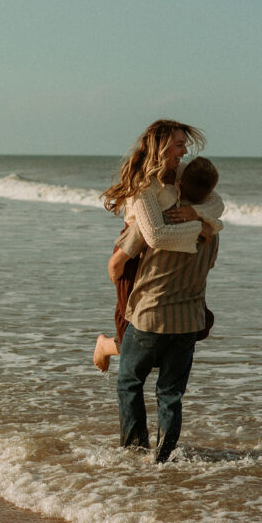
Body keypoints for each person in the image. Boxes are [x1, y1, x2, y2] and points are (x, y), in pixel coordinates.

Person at [100, 119, 222, 462]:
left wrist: (125, 291)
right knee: (170, 394)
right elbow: (208, 257)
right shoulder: (210, 230)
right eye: (180, 145)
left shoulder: (165, 216)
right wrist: (201, 224)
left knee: (129, 381)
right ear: (162, 149)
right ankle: (163, 461)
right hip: (189, 319)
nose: (185, 151)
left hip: (152, 313)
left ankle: (133, 452)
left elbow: (129, 254)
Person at [93, 155, 222, 372]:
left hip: (168, 287)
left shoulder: (207, 221)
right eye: (179, 146)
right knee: (135, 342)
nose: (183, 152)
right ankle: (105, 345)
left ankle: (110, 346)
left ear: (180, 183)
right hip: (134, 259)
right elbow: (118, 262)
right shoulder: (155, 208)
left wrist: (200, 221)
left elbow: (217, 206)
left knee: (187, 333)